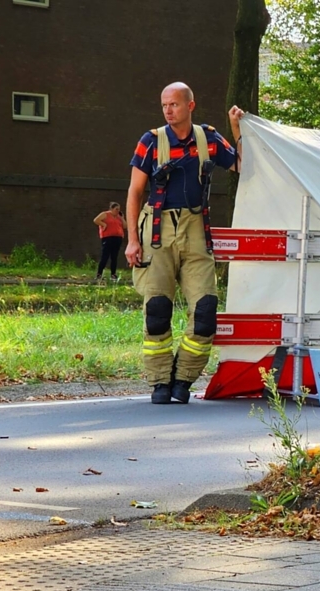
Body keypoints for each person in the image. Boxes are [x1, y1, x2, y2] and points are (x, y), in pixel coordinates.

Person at [125, 82, 243, 405]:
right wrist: (133, 240)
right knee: (157, 310)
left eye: (174, 104)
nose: (167, 110)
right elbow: (135, 193)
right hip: (159, 231)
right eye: (164, 105)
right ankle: (160, 381)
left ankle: (183, 377)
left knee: (205, 310)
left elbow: (241, 165)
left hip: (195, 231)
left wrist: (236, 128)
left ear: (190, 106)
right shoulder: (151, 142)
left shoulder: (208, 138)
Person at [93, 201, 126, 282]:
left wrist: (122, 218)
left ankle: (113, 274)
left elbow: (125, 226)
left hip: (117, 238)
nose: (118, 211)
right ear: (111, 209)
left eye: (119, 209)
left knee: (114, 257)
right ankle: (99, 274)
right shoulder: (105, 214)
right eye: (116, 209)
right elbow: (96, 220)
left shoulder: (119, 216)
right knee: (105, 256)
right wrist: (104, 225)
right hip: (108, 238)